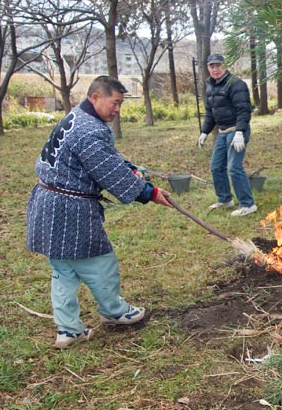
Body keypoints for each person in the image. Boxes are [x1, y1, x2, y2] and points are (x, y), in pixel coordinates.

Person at [26, 76, 172, 349]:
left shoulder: (77, 117)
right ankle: (115, 311)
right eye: (114, 102)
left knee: (63, 271)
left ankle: (68, 330)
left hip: (48, 203)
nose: (117, 109)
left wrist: (130, 167)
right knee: (99, 262)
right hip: (69, 211)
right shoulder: (90, 130)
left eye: (120, 104)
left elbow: (104, 158)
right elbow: (109, 172)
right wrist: (149, 193)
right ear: (95, 97)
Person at [198, 53, 257, 216]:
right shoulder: (210, 86)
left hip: (237, 130)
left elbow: (244, 109)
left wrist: (239, 132)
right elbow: (210, 113)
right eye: (212, 66)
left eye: (218, 65)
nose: (215, 69)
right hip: (223, 132)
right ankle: (225, 199)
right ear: (208, 68)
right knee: (216, 167)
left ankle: (248, 204)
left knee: (234, 167)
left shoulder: (236, 84)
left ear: (224, 66)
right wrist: (204, 132)